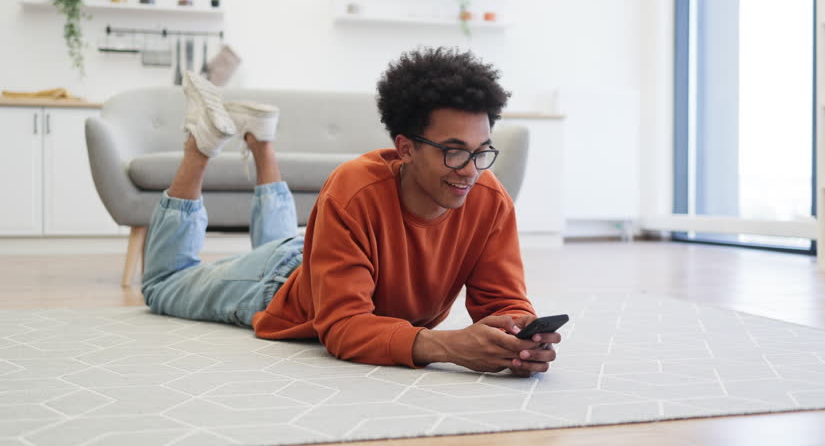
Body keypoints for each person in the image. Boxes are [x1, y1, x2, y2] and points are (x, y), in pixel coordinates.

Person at [142, 48, 560, 376]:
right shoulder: (353, 188)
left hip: (328, 252)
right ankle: (200, 145)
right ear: (406, 148)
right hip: (281, 280)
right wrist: (449, 345)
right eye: (453, 152)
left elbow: (501, 300)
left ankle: (261, 139)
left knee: (281, 240)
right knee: (163, 284)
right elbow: (342, 327)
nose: (470, 171)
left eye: (481, 151)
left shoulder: (489, 199)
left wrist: (519, 338)